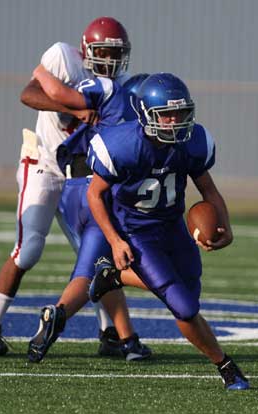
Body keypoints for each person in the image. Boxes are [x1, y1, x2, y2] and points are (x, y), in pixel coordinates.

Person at [0, 16, 136, 357]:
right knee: (30, 247)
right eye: (104, 51)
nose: (110, 60)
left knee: (94, 254)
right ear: (87, 50)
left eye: (116, 53)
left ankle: (109, 334)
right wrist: (71, 109)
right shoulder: (64, 57)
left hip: (78, 174)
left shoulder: (118, 85)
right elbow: (28, 94)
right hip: (42, 163)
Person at [86, 73, 250, 390]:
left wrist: (225, 226)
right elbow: (94, 194)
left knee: (187, 295)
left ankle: (114, 277)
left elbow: (209, 191)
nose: (175, 121)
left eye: (181, 112)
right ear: (146, 113)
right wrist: (115, 240)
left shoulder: (192, 142)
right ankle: (226, 367)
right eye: (166, 114)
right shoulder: (123, 145)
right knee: (184, 308)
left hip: (173, 227)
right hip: (137, 230)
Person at [26, 68, 151, 362]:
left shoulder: (111, 102)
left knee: (101, 267)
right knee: (92, 271)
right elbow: (60, 94)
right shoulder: (131, 118)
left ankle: (128, 341)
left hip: (72, 188)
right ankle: (58, 314)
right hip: (96, 192)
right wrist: (43, 73)